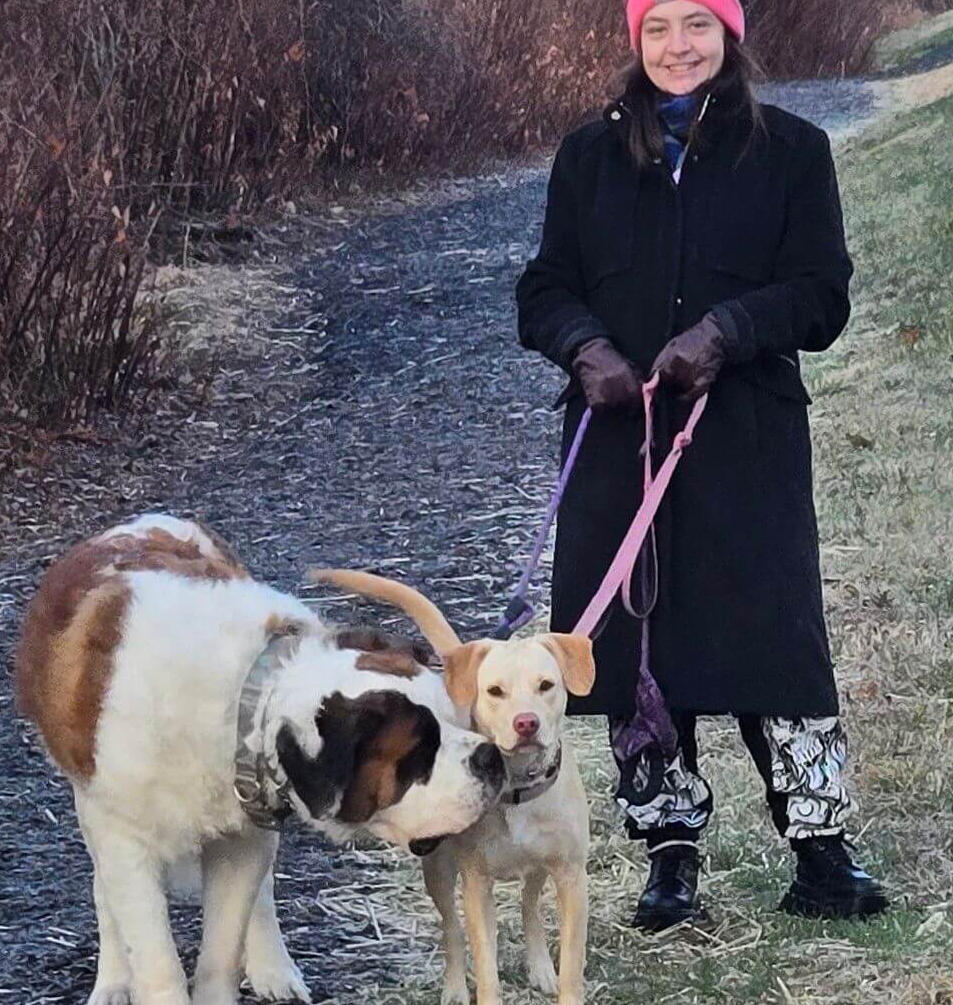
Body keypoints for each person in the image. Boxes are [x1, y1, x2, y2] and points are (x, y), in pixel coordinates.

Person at [516, 0, 887, 930]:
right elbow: (543, 286)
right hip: (613, 446)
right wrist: (583, 347)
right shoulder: (584, 158)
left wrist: (726, 331)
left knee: (776, 639)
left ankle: (820, 854)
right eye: (657, 29)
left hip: (743, 446)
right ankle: (669, 858)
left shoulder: (793, 151)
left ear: (731, 33)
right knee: (636, 650)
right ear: (633, 40)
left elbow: (820, 294)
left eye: (697, 25)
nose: (677, 47)